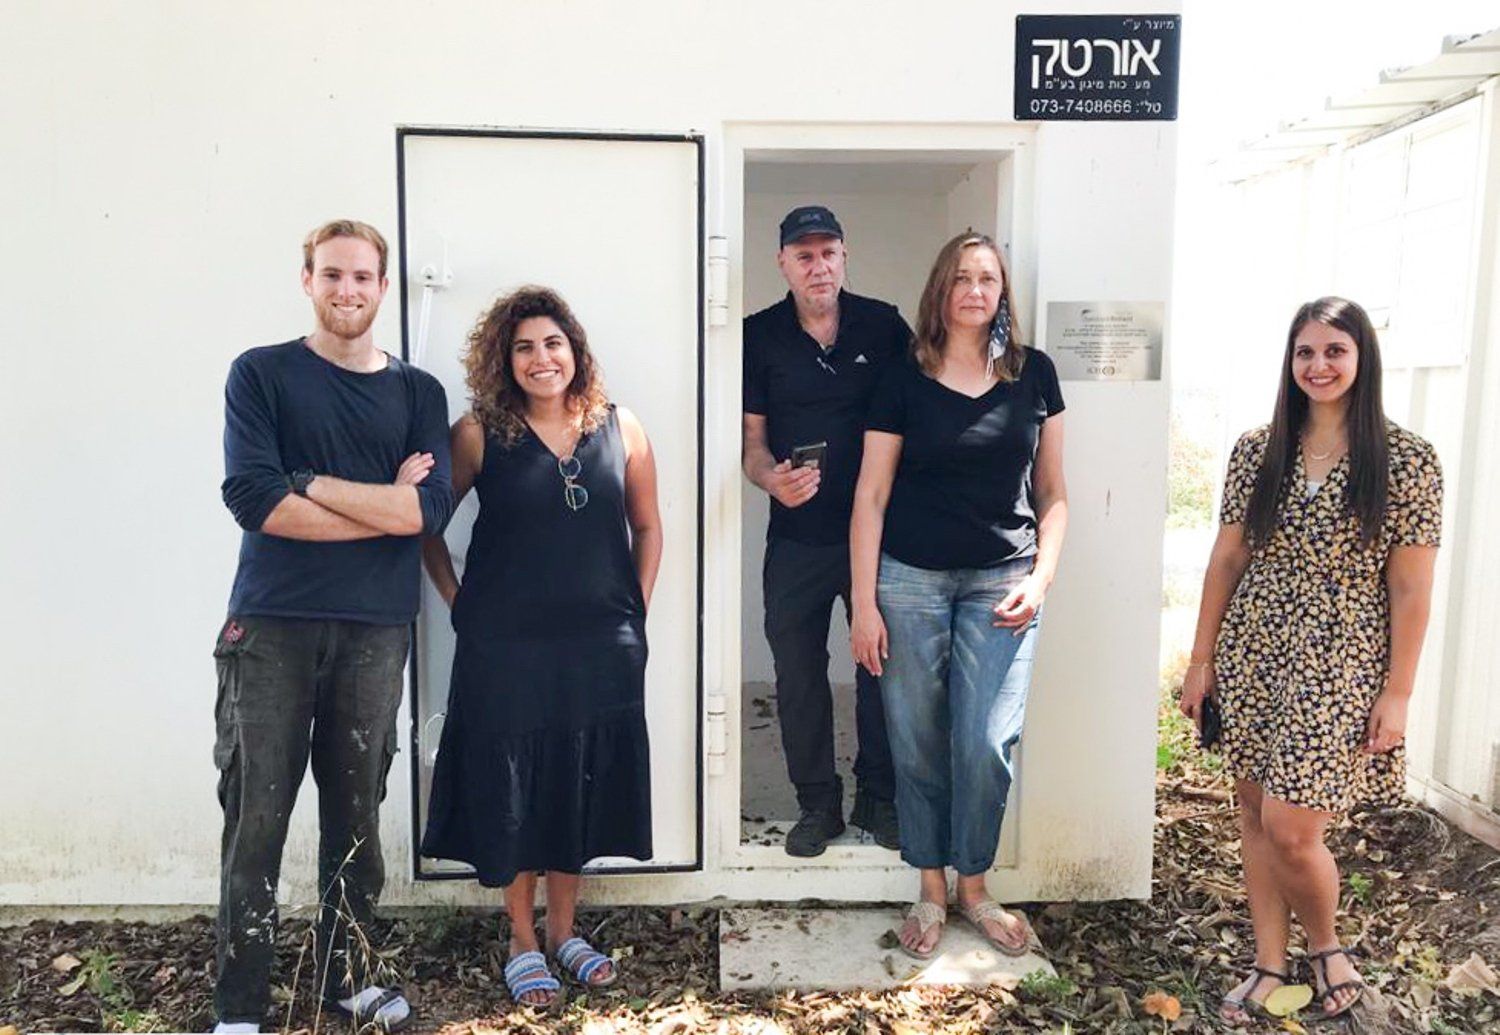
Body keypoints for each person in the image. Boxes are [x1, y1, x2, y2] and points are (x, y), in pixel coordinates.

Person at [214, 220, 454, 1033]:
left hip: (373, 630)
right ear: (307, 279)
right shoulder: (262, 374)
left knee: (357, 813)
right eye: (332, 274)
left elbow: (426, 510)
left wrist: (311, 482)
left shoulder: (419, 393)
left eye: (363, 276)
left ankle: (344, 978)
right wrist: (378, 505)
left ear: (384, 287)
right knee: (258, 815)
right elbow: (255, 501)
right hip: (271, 627)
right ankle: (240, 1007)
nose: (348, 289)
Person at [1179, 297, 1442, 1024]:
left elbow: (1411, 583)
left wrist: (1400, 690)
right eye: (1305, 352)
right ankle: (1268, 962)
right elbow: (1228, 556)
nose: (1318, 366)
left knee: (1295, 825)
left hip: (1344, 655)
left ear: (1362, 360)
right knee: (1255, 810)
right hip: (1257, 644)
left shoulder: (1408, 459)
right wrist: (1202, 659)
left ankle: (1326, 947)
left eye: (1334, 351)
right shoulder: (1257, 449)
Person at [420, 286, 663, 1007]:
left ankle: (565, 931)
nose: (540, 357)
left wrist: (635, 611)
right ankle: (523, 939)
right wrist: (460, 602)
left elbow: (648, 526)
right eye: (523, 346)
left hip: (600, 646)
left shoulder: (623, 428)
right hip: (505, 648)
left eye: (552, 343)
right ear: (506, 359)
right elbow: (427, 525)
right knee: (513, 785)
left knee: (576, 780)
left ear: (575, 350)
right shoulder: (478, 433)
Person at [850, 231, 1067, 960]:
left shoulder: (1034, 374)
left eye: (988, 278)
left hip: (1004, 582)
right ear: (940, 290)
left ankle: (975, 885)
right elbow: (871, 494)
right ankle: (932, 887)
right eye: (962, 278)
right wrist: (865, 601)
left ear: (1003, 291)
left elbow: (1054, 493)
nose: (976, 290)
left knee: (984, 742)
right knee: (915, 737)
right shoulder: (901, 377)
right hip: (907, 580)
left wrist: (1040, 579)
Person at [742, 205, 911, 856]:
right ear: (783, 263)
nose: (819, 266)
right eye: (805, 255)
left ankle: (879, 797)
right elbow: (751, 442)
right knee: (798, 671)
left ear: (846, 258)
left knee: (880, 665)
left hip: (877, 535)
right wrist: (769, 480)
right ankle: (818, 804)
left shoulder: (883, 325)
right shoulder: (760, 335)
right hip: (797, 537)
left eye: (830, 252)